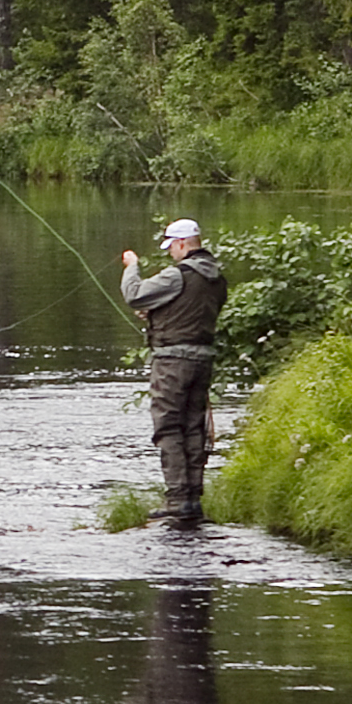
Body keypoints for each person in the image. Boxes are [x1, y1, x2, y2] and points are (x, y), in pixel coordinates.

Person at [119, 218, 227, 525]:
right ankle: (193, 499)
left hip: (172, 363)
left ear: (181, 244)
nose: (170, 254)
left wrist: (132, 265)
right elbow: (193, 312)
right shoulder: (217, 278)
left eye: (171, 248)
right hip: (203, 360)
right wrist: (157, 314)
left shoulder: (178, 275)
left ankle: (177, 499)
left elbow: (134, 294)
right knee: (194, 427)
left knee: (168, 427)